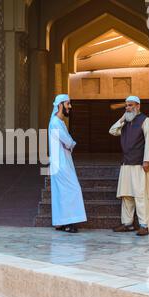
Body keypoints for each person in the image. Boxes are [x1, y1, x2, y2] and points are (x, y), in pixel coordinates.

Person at [109, 96, 149, 236]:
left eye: (130, 105)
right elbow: (112, 131)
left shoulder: (145, 121)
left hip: (139, 164)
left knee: (139, 195)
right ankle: (127, 224)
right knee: (126, 195)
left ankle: (144, 225)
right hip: (126, 163)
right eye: (126, 106)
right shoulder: (125, 122)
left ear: (138, 106)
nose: (128, 108)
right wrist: (122, 118)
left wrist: (147, 160)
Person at [48, 94, 87, 233]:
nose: (70, 107)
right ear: (60, 105)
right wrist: (71, 143)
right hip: (61, 164)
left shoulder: (60, 122)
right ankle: (69, 222)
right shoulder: (55, 123)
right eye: (67, 104)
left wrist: (70, 143)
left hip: (63, 162)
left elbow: (68, 141)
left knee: (63, 192)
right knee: (72, 189)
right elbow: (68, 141)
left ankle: (62, 222)